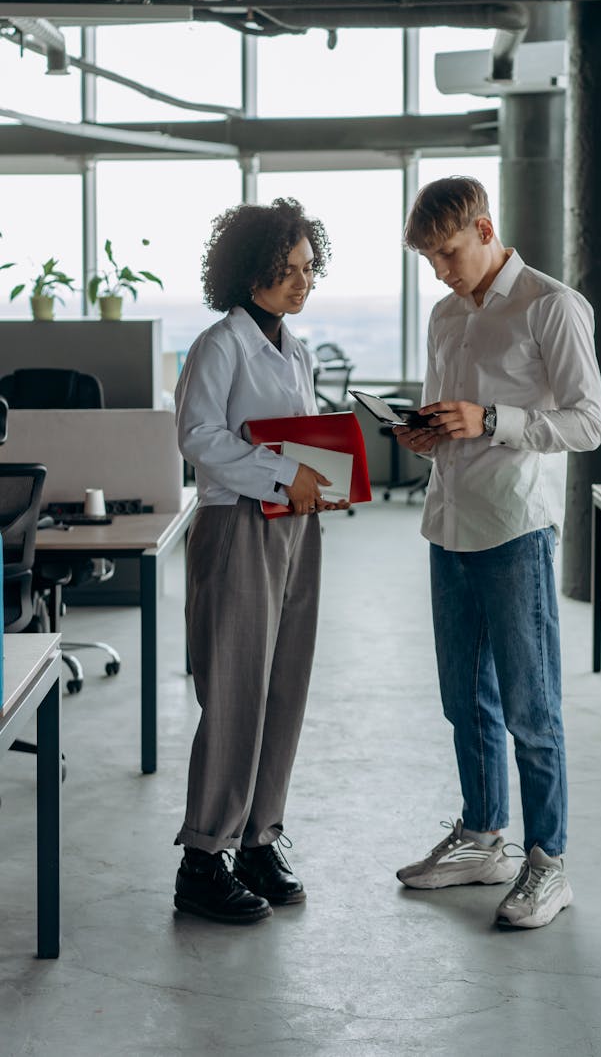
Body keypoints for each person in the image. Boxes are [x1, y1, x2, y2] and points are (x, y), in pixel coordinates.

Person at [395, 174, 601, 930]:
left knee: (530, 708)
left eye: (447, 254)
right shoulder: (444, 315)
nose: (440, 272)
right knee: (464, 702)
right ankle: (484, 838)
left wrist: (490, 419)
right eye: (428, 260)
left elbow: (586, 424)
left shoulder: (550, 306)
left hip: (514, 528)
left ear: (485, 229)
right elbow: (447, 418)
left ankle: (546, 863)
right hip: (447, 521)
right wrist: (422, 434)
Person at [173, 197, 346, 925]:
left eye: (310, 269)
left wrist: (324, 481)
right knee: (237, 691)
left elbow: (292, 437)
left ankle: (256, 838)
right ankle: (202, 858)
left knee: (284, 687)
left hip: (294, 529)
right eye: (289, 271)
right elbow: (199, 439)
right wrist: (285, 476)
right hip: (236, 526)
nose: (304, 283)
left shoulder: (294, 347)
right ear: (250, 275)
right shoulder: (218, 346)